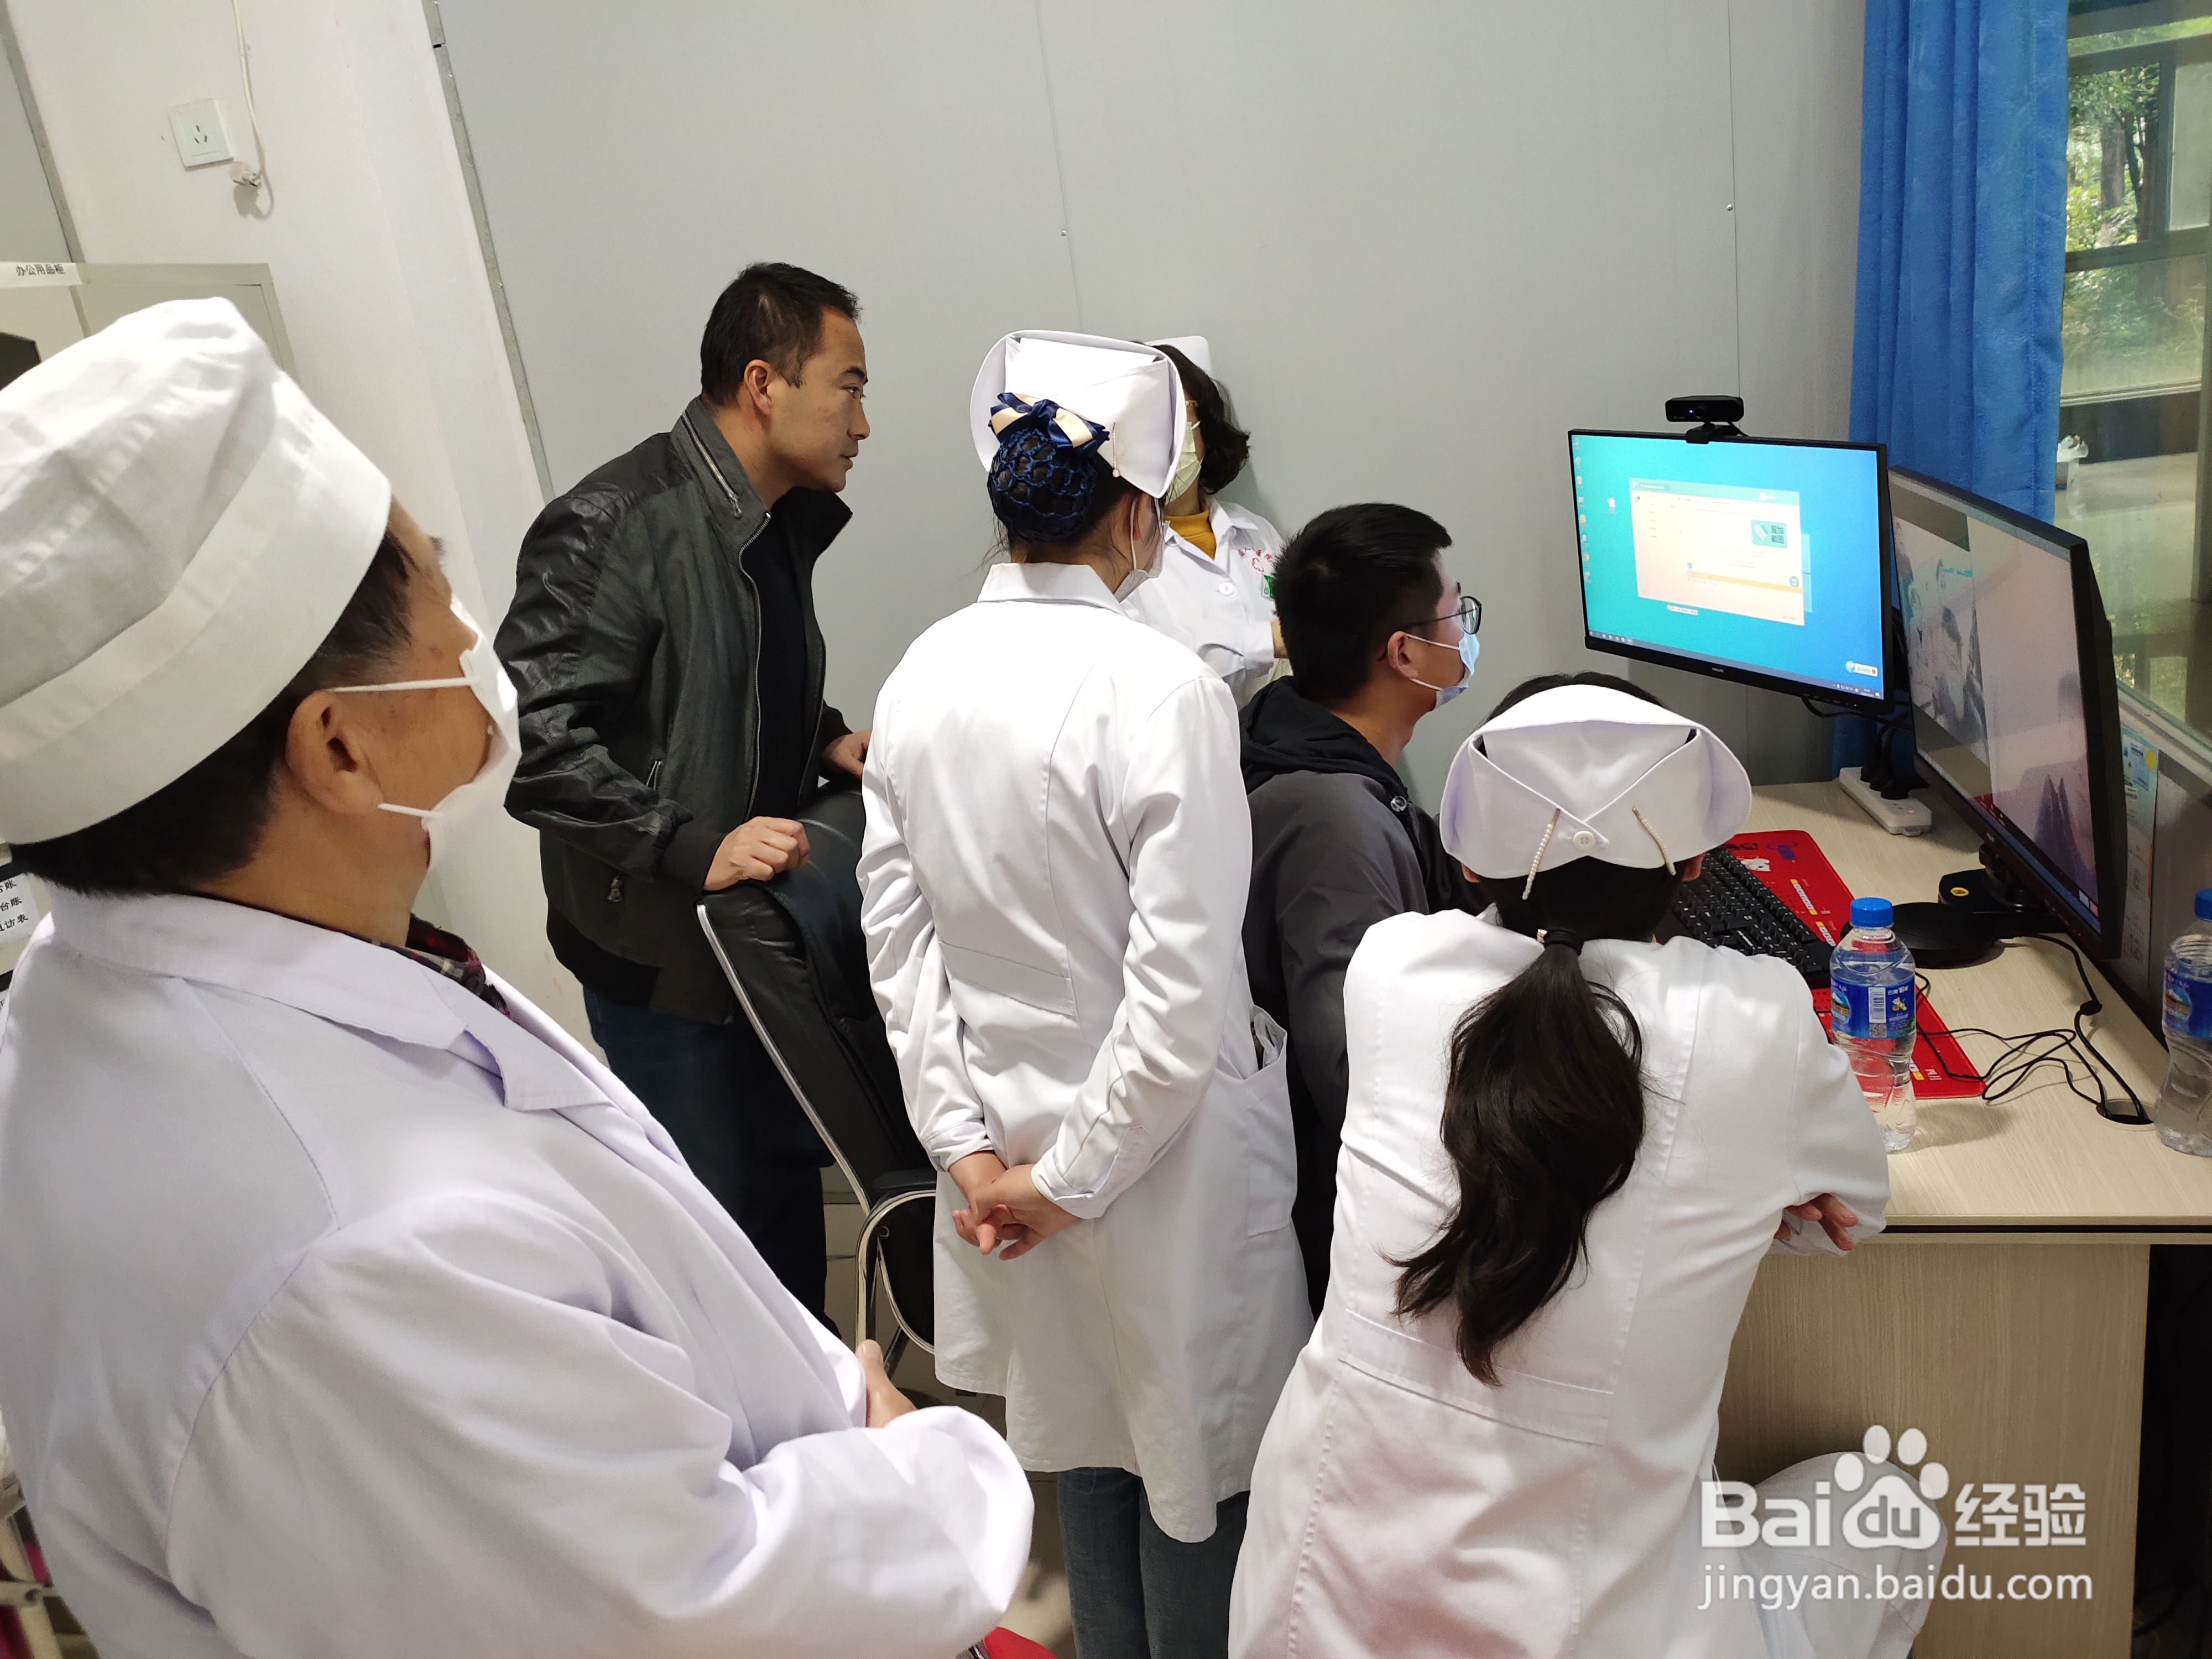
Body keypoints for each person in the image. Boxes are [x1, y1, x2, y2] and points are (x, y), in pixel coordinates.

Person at [0, 301, 1030, 1658]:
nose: (466, 627)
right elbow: (687, 1614)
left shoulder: (184, 962)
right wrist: (913, 1465)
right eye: (432, 585)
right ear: (339, 747)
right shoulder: (353, 1264)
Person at [1231, 677, 1934, 1659]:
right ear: (1695, 862)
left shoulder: (1392, 969)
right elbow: (1858, 1207)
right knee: (1888, 1506)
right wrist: (1756, 1187)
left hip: (1313, 1618)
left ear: (1470, 861)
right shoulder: (1752, 1018)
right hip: (1595, 1632)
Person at [859, 331, 1310, 1658]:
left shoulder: (919, 672)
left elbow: (900, 956)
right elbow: (1177, 1003)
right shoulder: (1162, 690)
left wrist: (970, 1153)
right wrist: (1068, 1182)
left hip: (1000, 1150)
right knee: (1195, 1472)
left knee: (1089, 1449)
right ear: (1130, 514)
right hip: (1156, 1167)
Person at [498, 262, 873, 1321]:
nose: (862, 423)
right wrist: (690, 844)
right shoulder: (614, 523)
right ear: (764, 385)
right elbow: (543, 748)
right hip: (662, 958)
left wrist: (828, 739)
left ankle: (817, 1406)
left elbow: (725, 679)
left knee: (786, 1214)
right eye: (847, 388)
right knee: (721, 1249)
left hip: (753, 939)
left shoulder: (773, 517)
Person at [1239, 502, 1484, 1308]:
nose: (1465, 633)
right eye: (1456, 613)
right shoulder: (1333, 823)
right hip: (1344, 1231)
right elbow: (1358, 1072)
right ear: (1405, 653)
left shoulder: (1294, 732)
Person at [1119, 337, 1286, 702]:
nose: (1163, 437)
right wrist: (1266, 642)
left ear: (1204, 427)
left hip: (1289, 732)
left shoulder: (1257, 532)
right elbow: (1144, 675)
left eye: (1177, 415)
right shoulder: (1115, 554)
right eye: (1145, 422)